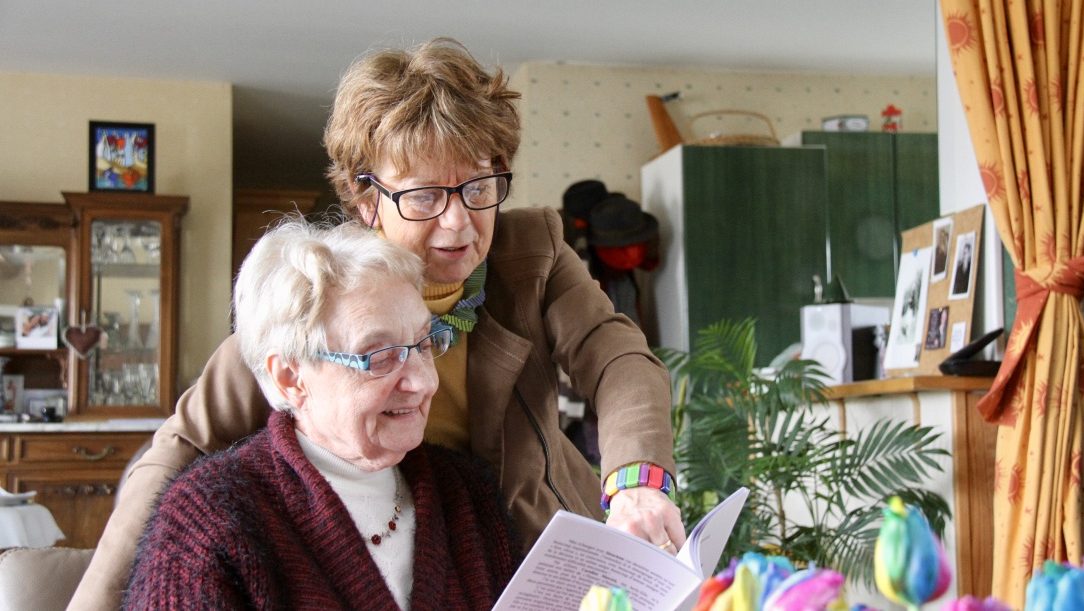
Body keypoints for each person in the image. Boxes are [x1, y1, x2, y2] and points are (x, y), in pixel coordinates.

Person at [72, 37, 678, 608]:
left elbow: (617, 357)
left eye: (479, 186)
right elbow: (179, 451)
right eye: (424, 196)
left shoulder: (531, 252)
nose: (459, 223)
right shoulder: (321, 297)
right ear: (367, 202)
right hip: (407, 553)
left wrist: (637, 484)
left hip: (536, 548)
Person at [124, 219, 519, 609]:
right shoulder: (206, 523)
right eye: (379, 355)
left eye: (424, 344)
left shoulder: (468, 496)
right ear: (290, 377)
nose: (423, 382)